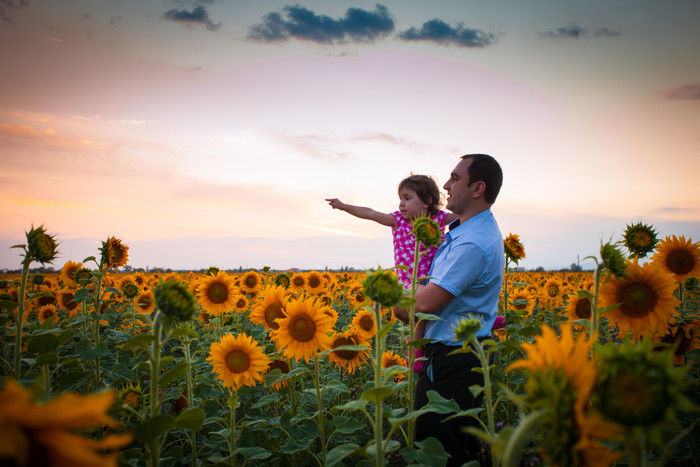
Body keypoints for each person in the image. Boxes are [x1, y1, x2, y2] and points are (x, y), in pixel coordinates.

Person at [393, 153, 505, 465]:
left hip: (454, 360)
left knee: (440, 453)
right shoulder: (464, 232)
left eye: (455, 178)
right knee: (456, 446)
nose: (445, 185)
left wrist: (390, 297)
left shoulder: (472, 243)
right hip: (456, 354)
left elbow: (423, 305)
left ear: (477, 188)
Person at [326, 174, 458, 289]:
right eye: (400, 198)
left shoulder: (439, 218)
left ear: (427, 201)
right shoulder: (397, 220)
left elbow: (465, 213)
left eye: (407, 198)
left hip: (433, 281)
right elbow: (370, 213)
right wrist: (344, 206)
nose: (401, 203)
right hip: (407, 283)